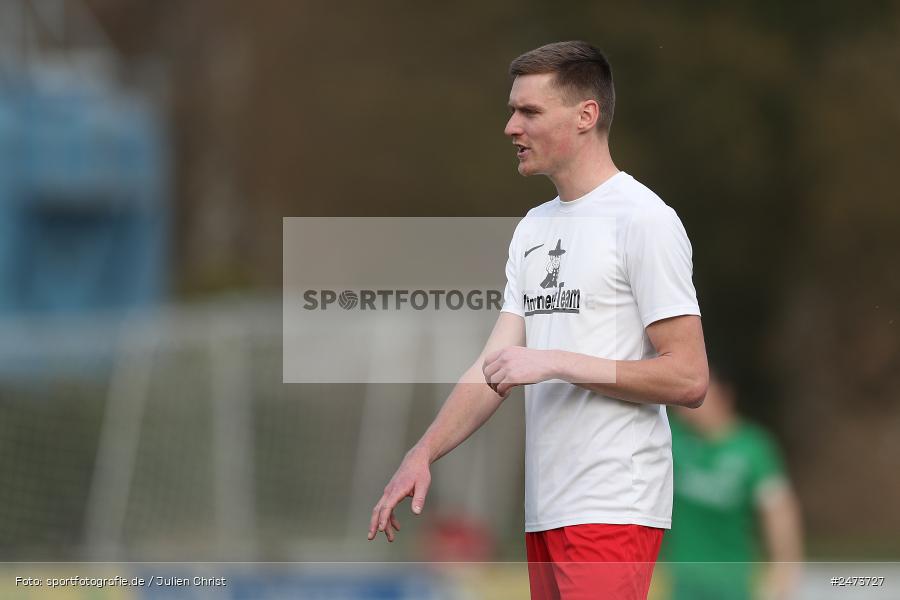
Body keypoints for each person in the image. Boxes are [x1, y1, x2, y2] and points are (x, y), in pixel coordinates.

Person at [367, 40, 709, 600]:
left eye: (529, 111)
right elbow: (493, 367)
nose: (511, 127)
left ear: (585, 115)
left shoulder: (645, 220)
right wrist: (422, 452)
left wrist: (555, 362)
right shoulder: (533, 228)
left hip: (613, 505)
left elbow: (688, 378)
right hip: (546, 512)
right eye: (512, 111)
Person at [661, 368, 804, 600]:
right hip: (679, 582)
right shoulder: (672, 439)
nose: (687, 405)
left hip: (734, 582)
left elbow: (779, 511)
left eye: (698, 394)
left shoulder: (753, 448)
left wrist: (784, 568)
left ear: (725, 396)